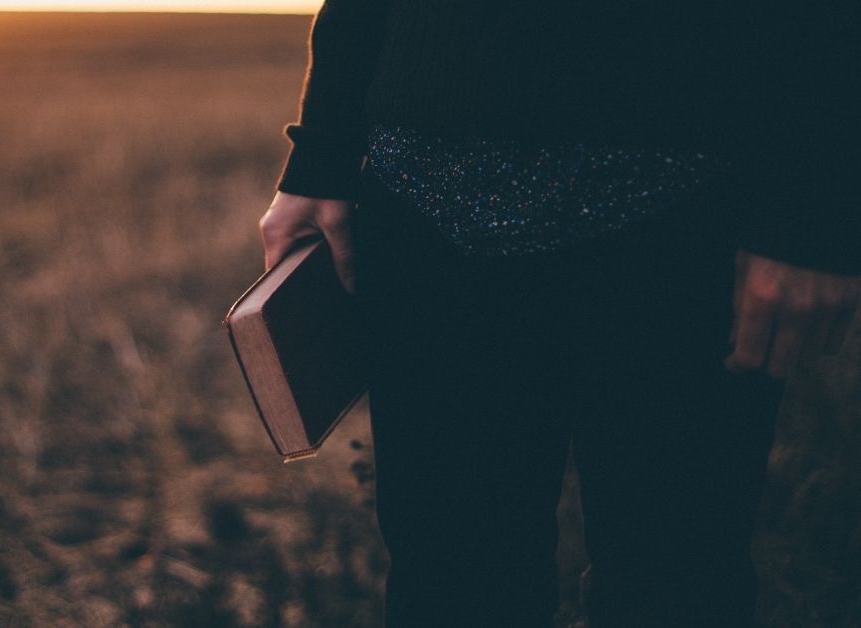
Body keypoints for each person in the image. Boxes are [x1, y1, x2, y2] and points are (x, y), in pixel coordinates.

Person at [258, 1, 861, 626]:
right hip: (423, 207)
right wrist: (322, 153)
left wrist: (815, 206)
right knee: (451, 584)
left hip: (687, 218)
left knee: (675, 581)